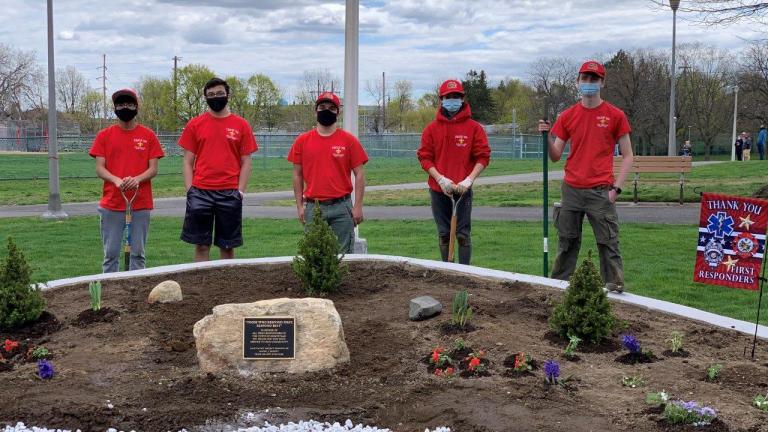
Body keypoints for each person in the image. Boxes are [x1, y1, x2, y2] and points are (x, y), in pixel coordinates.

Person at [538, 60, 633, 293]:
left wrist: (616, 189)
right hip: (571, 189)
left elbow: (629, 155)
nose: (589, 83)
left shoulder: (615, 115)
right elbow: (555, 156)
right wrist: (546, 137)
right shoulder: (568, 116)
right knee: (567, 242)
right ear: (578, 82)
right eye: (585, 79)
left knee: (608, 243)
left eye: (594, 79)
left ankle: (614, 288)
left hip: (601, 190)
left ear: (602, 82)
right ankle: (558, 288)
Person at [179, 77, 258, 262]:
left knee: (227, 247)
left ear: (228, 95)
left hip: (229, 193)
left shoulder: (241, 125)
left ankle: (226, 287)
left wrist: (240, 191)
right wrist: (190, 190)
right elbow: (187, 161)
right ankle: (201, 285)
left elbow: (246, 161)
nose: (216, 97)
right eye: (211, 94)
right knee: (201, 245)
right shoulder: (195, 124)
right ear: (205, 97)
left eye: (220, 93)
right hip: (200, 192)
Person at [89, 88, 164, 273]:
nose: (125, 108)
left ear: (136, 107)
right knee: (111, 254)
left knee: (137, 253)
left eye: (129, 104)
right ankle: (111, 293)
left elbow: (153, 168)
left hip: (140, 204)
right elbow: (100, 168)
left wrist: (137, 179)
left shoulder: (148, 136)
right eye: (120, 104)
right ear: (115, 108)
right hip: (112, 204)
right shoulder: (104, 136)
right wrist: (116, 180)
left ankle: (135, 292)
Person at [417, 79, 491, 265]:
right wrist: (440, 179)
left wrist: (469, 180)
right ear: (441, 99)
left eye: (456, 96)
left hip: (462, 190)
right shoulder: (431, 129)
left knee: (463, 234)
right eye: (448, 97)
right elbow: (425, 158)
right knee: (444, 233)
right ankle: (447, 269)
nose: (452, 100)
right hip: (439, 189)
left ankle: (464, 272)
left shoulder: (474, 128)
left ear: (463, 98)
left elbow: (483, 157)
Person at [287, 91, 368, 253]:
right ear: (315, 110)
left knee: (344, 257)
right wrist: (299, 206)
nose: (326, 111)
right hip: (314, 207)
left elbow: (360, 173)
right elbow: (297, 174)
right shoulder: (302, 141)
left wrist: (358, 206)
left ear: (338, 112)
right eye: (322, 107)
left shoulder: (348, 140)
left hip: (342, 207)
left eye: (332, 108)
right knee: (314, 255)